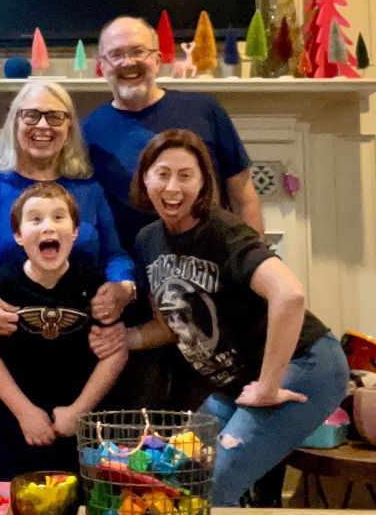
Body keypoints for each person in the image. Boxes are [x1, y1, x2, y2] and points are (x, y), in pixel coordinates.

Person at [125, 128, 348, 506]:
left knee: (213, 487)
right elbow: (170, 326)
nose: (173, 187)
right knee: (174, 475)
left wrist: (267, 387)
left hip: (306, 364)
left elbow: (289, 294)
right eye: (162, 174)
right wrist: (124, 339)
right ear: (145, 179)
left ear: (203, 183)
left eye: (185, 175)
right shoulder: (148, 240)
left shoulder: (223, 232)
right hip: (237, 383)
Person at [0, 80, 136, 336]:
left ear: (69, 126)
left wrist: (123, 286)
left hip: (83, 334)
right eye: (31, 115)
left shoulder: (89, 188)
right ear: (15, 122)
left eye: (55, 117)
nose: (43, 125)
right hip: (7, 333)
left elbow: (115, 255)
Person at [0, 182, 127, 479]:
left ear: (75, 231)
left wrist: (79, 411)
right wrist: (24, 412)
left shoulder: (95, 284)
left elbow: (116, 352)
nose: (48, 226)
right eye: (35, 219)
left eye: (58, 217)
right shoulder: (0, 284)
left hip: (81, 427)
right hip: (17, 424)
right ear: (18, 235)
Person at [83, 16, 264, 251]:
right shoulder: (90, 130)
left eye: (138, 51)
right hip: (137, 267)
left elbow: (243, 197)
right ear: (102, 66)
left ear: (158, 60)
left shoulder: (205, 110)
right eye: (116, 55)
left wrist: (255, 260)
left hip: (214, 262)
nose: (128, 62)